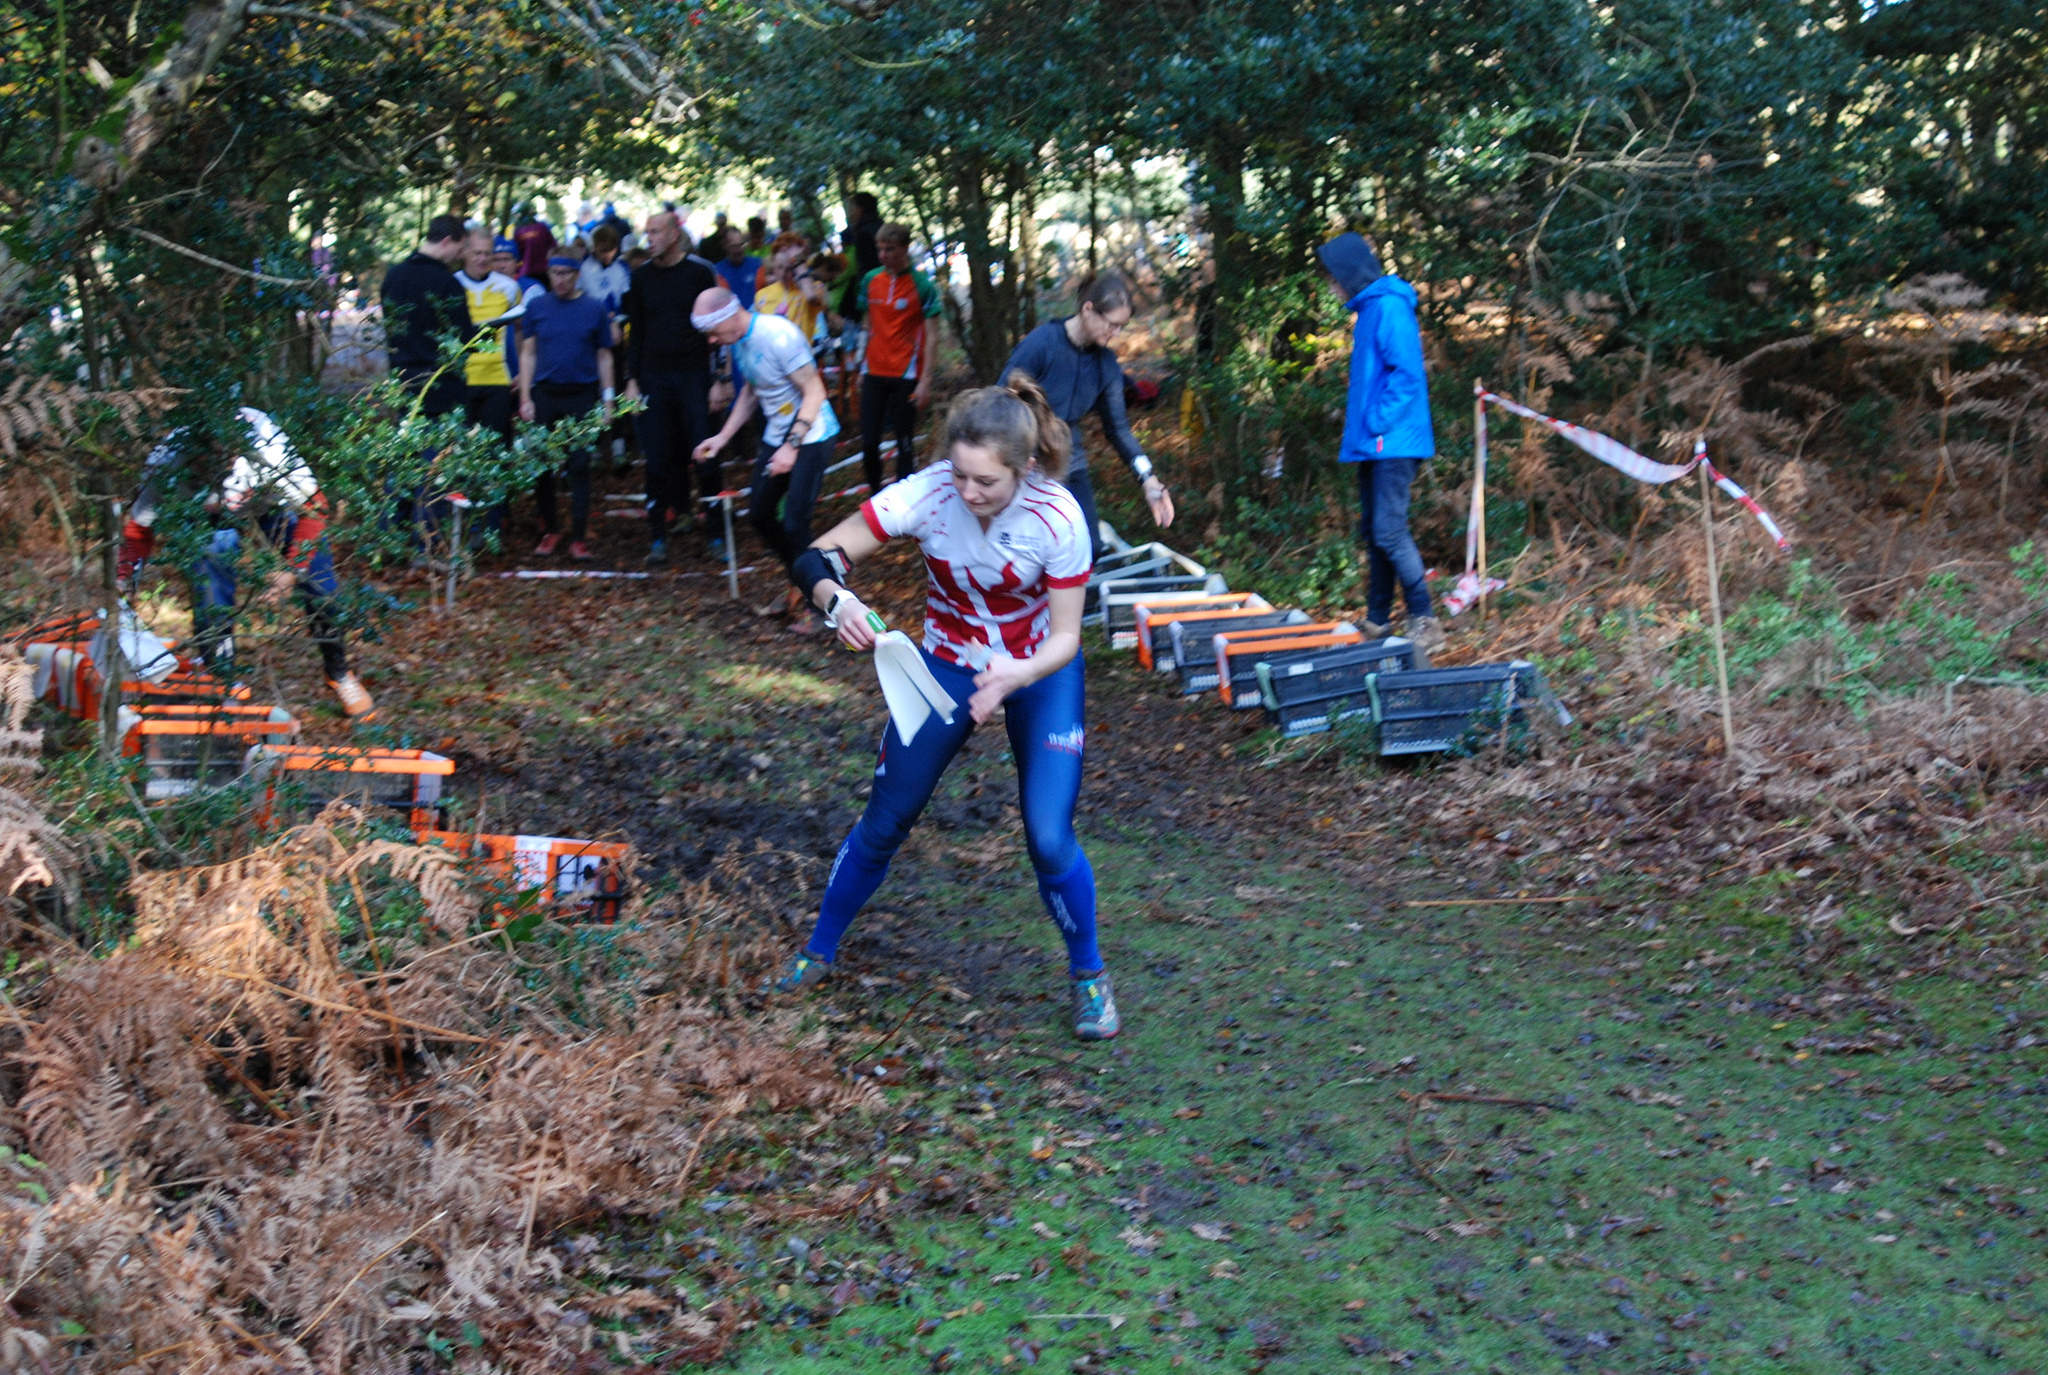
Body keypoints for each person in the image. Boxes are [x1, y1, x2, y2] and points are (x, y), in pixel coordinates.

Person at [772, 378, 1120, 1042]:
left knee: (1049, 837)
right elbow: (816, 557)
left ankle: (1089, 976)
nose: (968, 491)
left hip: (1039, 670)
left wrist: (1018, 671)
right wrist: (838, 602)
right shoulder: (929, 493)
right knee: (886, 818)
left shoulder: (1058, 515)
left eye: (986, 480)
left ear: (1023, 467)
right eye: (959, 473)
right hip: (947, 667)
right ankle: (817, 952)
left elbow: (1068, 637)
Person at [118, 407, 375, 719]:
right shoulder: (168, 460)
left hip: (272, 504)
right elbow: (139, 527)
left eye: (225, 456)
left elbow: (315, 508)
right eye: (207, 460)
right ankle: (222, 680)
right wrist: (124, 580)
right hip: (209, 515)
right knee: (211, 582)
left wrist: (292, 569)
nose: (218, 463)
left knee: (321, 587)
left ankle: (338, 671)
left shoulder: (270, 449)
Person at [1317, 231, 1442, 651]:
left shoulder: (1389, 306)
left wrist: (1376, 420)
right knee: (1374, 532)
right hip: (1376, 441)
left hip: (1394, 440)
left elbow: (1407, 374)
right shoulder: (1371, 310)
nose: (1331, 288)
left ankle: (1425, 619)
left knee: (1389, 531)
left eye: (1333, 279)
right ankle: (1376, 619)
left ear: (1349, 274)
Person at [690, 286, 840, 629]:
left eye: (712, 331)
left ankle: (823, 606)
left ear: (730, 315)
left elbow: (815, 390)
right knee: (759, 513)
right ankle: (801, 582)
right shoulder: (739, 342)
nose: (711, 340)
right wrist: (722, 438)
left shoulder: (779, 335)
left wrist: (792, 446)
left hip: (813, 434)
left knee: (795, 523)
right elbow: (751, 391)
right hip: (778, 436)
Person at [999, 272, 1174, 564]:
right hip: (1024, 461)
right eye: (1112, 324)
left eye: (1121, 326)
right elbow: (1000, 402)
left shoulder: (1106, 364)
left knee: (1089, 549)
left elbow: (1119, 429)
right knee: (1027, 554)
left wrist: (1148, 478)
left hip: (1070, 461)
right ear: (1088, 309)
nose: (1116, 333)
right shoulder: (1042, 344)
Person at [622, 210, 719, 564]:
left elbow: (716, 326)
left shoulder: (699, 272)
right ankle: (657, 538)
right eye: (646, 233)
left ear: (674, 234)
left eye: (656, 232)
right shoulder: (641, 277)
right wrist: (631, 380)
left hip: (694, 375)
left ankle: (716, 534)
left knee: (705, 453)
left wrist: (719, 379)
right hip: (653, 378)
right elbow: (636, 333)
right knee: (657, 458)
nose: (649, 239)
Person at [518, 256, 616, 559]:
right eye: (555, 273)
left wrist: (608, 400)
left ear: (576, 275)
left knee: (580, 465)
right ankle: (550, 529)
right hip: (545, 393)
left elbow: (605, 356)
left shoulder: (594, 308)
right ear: (548, 273)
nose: (560, 279)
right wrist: (525, 397)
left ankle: (579, 536)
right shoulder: (537, 307)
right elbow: (528, 353)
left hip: (582, 394)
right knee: (543, 466)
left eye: (566, 273)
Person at [855, 224, 942, 491]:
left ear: (904, 249)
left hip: (906, 374)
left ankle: (905, 501)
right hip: (874, 371)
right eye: (880, 249)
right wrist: (860, 365)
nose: (883, 255)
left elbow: (933, 337)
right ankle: (875, 496)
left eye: (890, 249)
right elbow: (866, 325)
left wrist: (925, 381)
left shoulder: (923, 286)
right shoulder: (870, 280)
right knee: (869, 442)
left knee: (904, 441)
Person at [379, 214, 468, 418]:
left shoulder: (394, 276)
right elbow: (463, 337)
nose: (460, 256)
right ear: (446, 241)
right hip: (442, 386)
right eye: (459, 249)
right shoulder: (447, 282)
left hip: (404, 383)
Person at [753, 235, 829, 352]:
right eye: (780, 267)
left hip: (803, 358)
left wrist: (799, 262)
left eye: (789, 268)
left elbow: (811, 297)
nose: (784, 273)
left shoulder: (815, 287)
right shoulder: (761, 295)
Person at [712, 226, 761, 311]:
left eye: (741, 245)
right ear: (724, 246)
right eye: (734, 246)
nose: (739, 250)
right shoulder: (717, 271)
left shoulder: (758, 264)